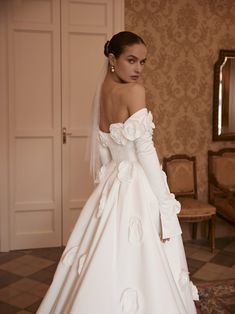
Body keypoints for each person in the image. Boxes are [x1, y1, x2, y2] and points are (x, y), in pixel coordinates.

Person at [37, 31, 199, 314]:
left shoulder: (103, 91)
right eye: (131, 60)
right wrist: (164, 202)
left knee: (104, 254)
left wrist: (106, 186)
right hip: (137, 183)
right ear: (113, 59)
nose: (138, 69)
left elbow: (103, 146)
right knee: (146, 260)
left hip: (113, 181)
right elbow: (146, 152)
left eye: (143, 62)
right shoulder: (134, 92)